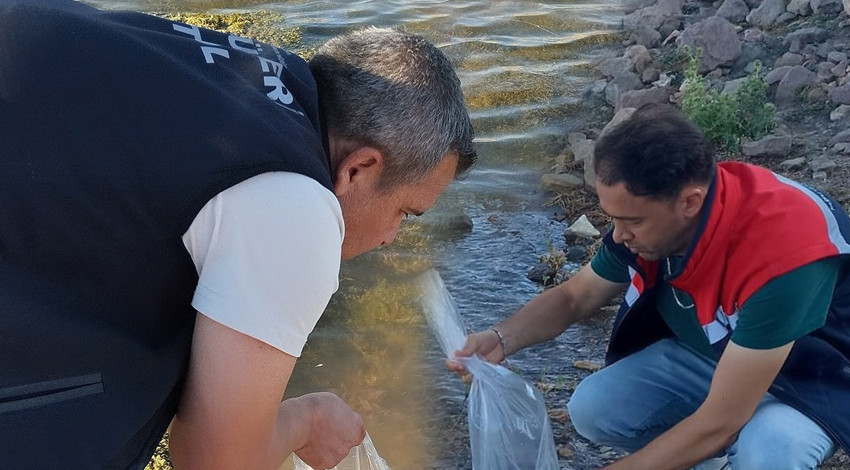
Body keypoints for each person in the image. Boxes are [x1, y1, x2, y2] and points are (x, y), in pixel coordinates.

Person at [0, 0, 476, 469]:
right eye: (404, 213)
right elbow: (215, 460)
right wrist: (308, 420)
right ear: (358, 169)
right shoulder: (296, 205)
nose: (391, 236)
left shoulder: (257, 73)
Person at [450, 103, 850, 470]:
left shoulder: (785, 254)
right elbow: (575, 296)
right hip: (719, 357)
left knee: (769, 452)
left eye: (632, 221)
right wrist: (500, 337)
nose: (618, 235)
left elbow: (721, 422)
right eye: (613, 218)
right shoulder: (656, 219)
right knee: (595, 407)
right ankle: (707, 460)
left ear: (690, 202)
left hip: (814, 377)